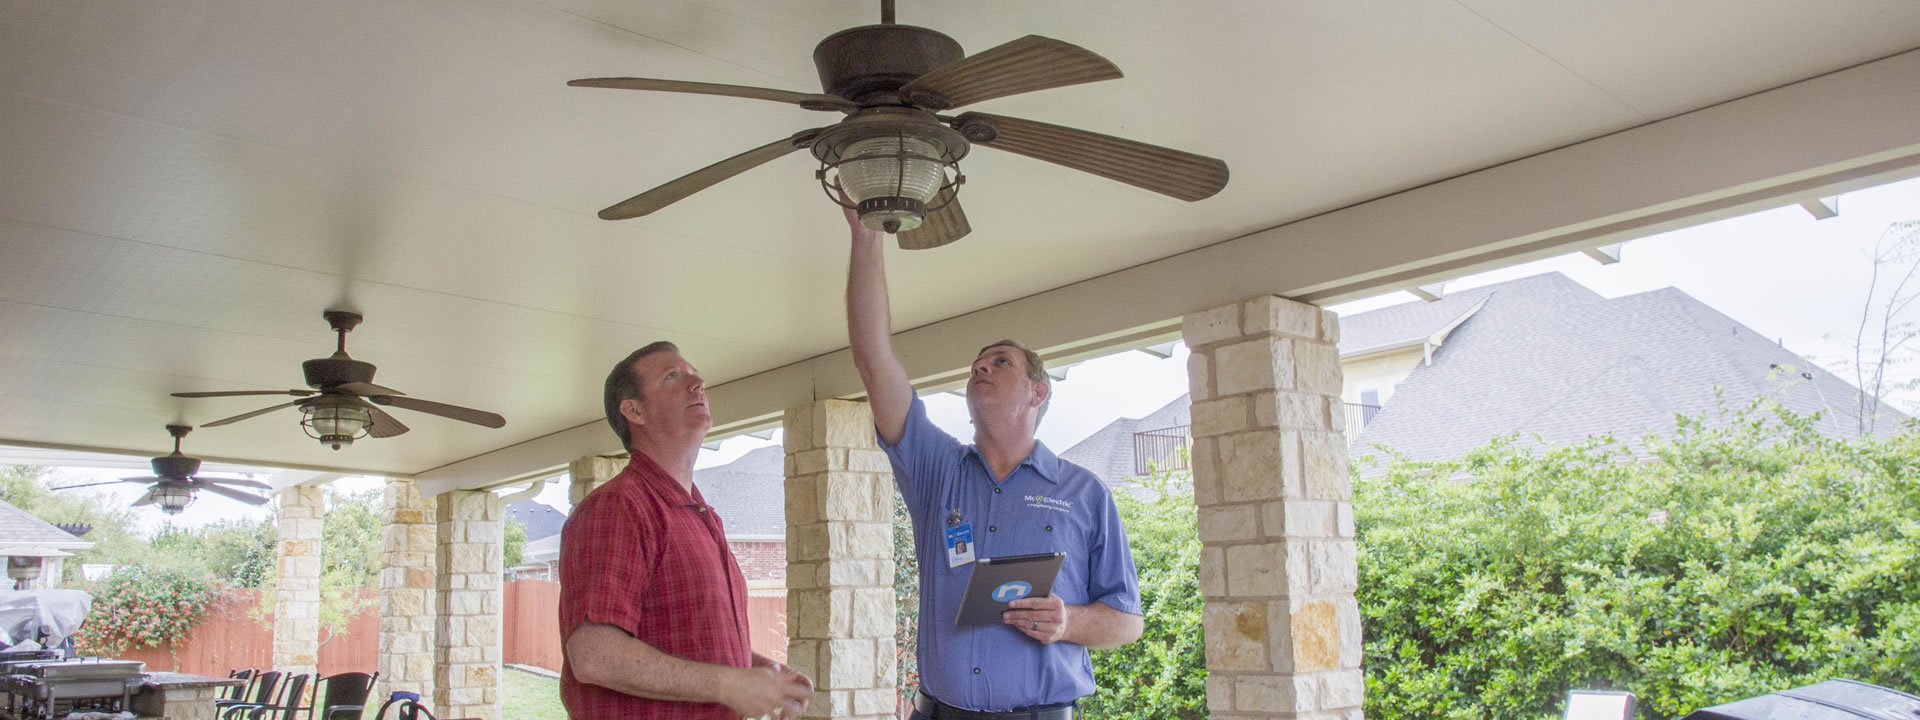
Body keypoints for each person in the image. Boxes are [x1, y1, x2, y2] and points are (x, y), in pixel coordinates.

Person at [843, 205, 1144, 718]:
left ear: (1037, 392)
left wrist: (1067, 622)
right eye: (977, 365)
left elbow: (1127, 621)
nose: (981, 367)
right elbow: (873, 358)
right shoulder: (937, 470)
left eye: (1000, 362)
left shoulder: (1085, 494)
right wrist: (865, 236)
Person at [559, 342, 813, 720]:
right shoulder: (617, 507)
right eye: (672, 376)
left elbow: (691, 645)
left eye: (695, 375)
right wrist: (727, 684)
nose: (698, 383)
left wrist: (759, 672)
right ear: (634, 410)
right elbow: (595, 655)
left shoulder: (700, 516)